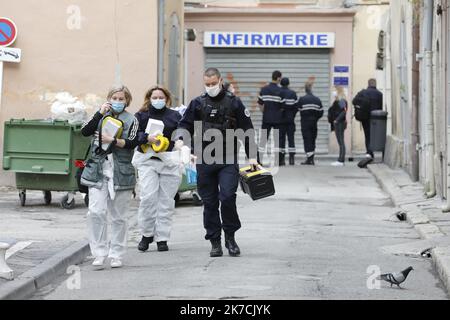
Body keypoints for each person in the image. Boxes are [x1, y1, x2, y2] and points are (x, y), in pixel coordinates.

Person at [174, 67, 259, 257]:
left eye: (214, 83)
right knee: (210, 202)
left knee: (228, 197)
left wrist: (252, 157)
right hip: (205, 158)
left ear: (220, 81)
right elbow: (184, 124)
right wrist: (180, 139)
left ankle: (230, 237)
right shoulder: (197, 103)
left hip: (228, 157)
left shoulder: (234, 102)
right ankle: (214, 240)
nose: (211, 87)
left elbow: (247, 130)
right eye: (207, 84)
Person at [80, 85, 139, 269]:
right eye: (115, 98)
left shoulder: (132, 119)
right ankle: (98, 253)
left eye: (122, 99)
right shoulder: (101, 115)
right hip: (97, 169)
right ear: (108, 99)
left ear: (127, 100)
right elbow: (85, 131)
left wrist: (113, 141)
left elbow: (133, 142)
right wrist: (99, 113)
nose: (118, 102)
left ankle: (117, 254)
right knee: (95, 212)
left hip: (121, 171)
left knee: (119, 216)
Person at [133, 86, 183, 253]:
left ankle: (162, 238)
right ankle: (146, 234)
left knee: (166, 201)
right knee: (148, 197)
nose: (158, 100)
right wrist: (146, 138)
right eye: (155, 97)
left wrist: (181, 143)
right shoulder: (141, 116)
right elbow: (133, 136)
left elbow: (182, 134)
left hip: (168, 162)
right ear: (149, 98)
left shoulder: (174, 116)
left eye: (161, 97)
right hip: (147, 161)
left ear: (166, 99)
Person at [257, 70, 285, 166]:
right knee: (277, 139)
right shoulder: (281, 91)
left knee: (263, 139)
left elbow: (260, 104)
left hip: (266, 118)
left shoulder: (264, 89)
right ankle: (276, 161)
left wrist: (264, 112)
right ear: (278, 78)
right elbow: (283, 106)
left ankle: (259, 160)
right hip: (278, 119)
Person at [354, 78, 383, 159]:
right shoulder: (379, 94)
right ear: (375, 84)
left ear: (368, 84)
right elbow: (381, 106)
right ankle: (375, 150)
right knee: (375, 135)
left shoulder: (363, 92)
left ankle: (369, 152)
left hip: (364, 117)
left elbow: (354, 101)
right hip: (376, 118)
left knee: (367, 135)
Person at [298, 82, 324, 165]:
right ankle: (311, 158)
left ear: (305, 90)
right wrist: (316, 118)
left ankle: (309, 159)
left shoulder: (302, 99)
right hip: (314, 122)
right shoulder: (317, 99)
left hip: (305, 122)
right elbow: (321, 112)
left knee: (307, 139)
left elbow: (298, 109)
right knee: (313, 139)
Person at [279, 77, 298, 166]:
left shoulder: (279, 92)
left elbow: (278, 107)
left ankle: (282, 159)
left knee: (281, 139)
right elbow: (296, 107)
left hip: (281, 120)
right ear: (288, 83)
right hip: (291, 120)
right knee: (291, 139)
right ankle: (291, 159)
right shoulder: (293, 93)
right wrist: (292, 115)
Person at [329, 86, 348, 166]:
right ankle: (340, 160)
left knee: (341, 142)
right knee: (340, 141)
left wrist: (337, 120)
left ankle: (341, 160)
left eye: (334, 91)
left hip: (339, 123)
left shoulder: (341, 100)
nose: (333, 92)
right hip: (339, 123)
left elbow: (344, 111)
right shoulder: (338, 100)